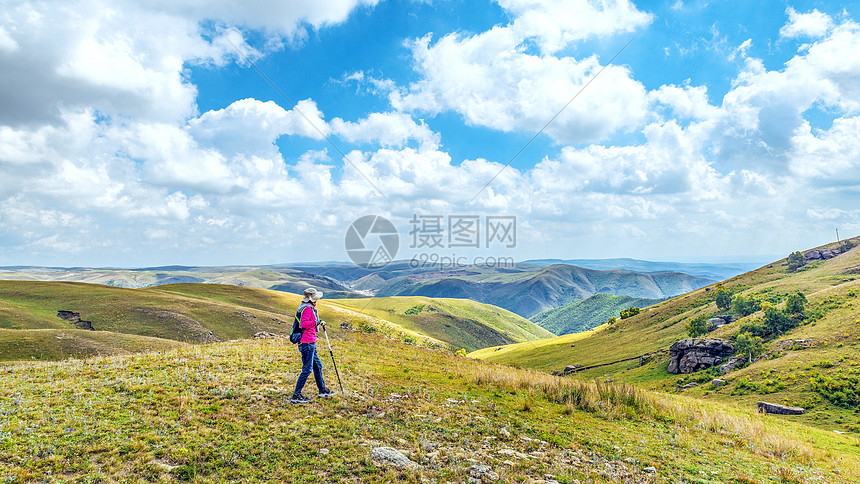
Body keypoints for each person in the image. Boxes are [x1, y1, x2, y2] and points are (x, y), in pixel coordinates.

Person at [291, 288, 335, 403]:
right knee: (307, 369)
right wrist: (316, 322)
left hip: (310, 341)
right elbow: (304, 324)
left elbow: (309, 321)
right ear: (312, 299)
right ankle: (296, 395)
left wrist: (319, 321)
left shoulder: (304, 307)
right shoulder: (307, 309)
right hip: (307, 342)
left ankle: (323, 390)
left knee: (317, 366)